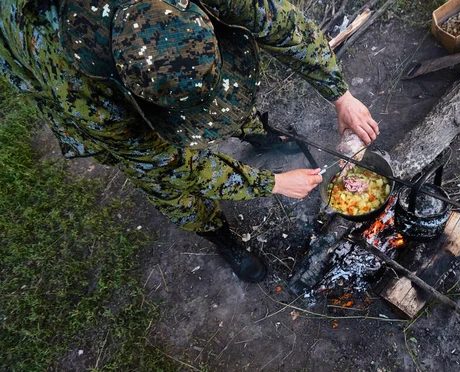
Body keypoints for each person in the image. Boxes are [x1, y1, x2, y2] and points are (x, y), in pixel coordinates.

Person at [0, 0, 379, 282]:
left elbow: (281, 25)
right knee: (171, 191)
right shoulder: (87, 97)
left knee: (220, 96)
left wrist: (341, 95)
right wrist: (273, 183)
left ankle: (252, 130)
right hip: (43, 45)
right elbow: (171, 166)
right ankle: (217, 233)